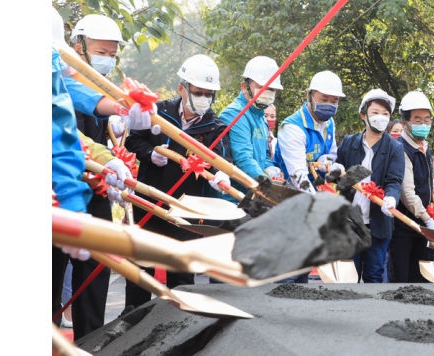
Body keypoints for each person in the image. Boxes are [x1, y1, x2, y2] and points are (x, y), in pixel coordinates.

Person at [122, 55, 234, 310]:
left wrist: (221, 177)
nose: (204, 98)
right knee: (140, 269)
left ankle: (177, 325)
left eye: (209, 94)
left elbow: (223, 160)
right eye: (198, 92)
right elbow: (132, 140)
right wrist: (150, 154)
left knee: (182, 277)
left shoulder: (216, 127)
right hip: (148, 204)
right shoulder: (157, 113)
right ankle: (130, 322)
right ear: (182, 89)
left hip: (186, 211)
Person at [66, 13, 131, 339]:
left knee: (96, 266)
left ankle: (89, 340)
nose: (106, 59)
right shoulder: (61, 81)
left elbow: (101, 137)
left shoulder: (105, 87)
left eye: (111, 54)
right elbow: (73, 139)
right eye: (99, 51)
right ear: (78, 47)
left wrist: (115, 161)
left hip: (95, 188)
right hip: (60, 189)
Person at [334, 89, 404, 283]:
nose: (380, 118)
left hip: (378, 225)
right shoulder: (349, 143)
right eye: (375, 112)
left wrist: (390, 198)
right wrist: (335, 170)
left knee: (374, 276)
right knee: (347, 276)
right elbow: (337, 178)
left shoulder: (395, 148)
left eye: (385, 114)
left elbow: (394, 181)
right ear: (363, 115)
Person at [392, 91, 434, 283]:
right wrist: (428, 220)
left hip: (422, 222)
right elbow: (407, 193)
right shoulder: (400, 148)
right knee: (402, 277)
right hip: (404, 224)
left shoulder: (424, 147)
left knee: (422, 277)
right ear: (404, 123)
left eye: (427, 120)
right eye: (417, 120)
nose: (423, 125)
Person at [219, 56, 284, 198]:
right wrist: (268, 185)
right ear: (245, 87)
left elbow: (264, 153)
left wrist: (268, 167)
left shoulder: (260, 115)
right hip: (233, 197)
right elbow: (243, 158)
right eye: (262, 87)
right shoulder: (235, 113)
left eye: (272, 89)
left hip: (253, 194)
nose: (267, 92)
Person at [274, 71, 346, 195]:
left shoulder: (329, 123)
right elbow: (298, 177)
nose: (329, 105)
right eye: (324, 99)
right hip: (288, 194)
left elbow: (332, 153)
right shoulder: (293, 128)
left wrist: (327, 160)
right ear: (309, 96)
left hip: (316, 189)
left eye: (334, 101)